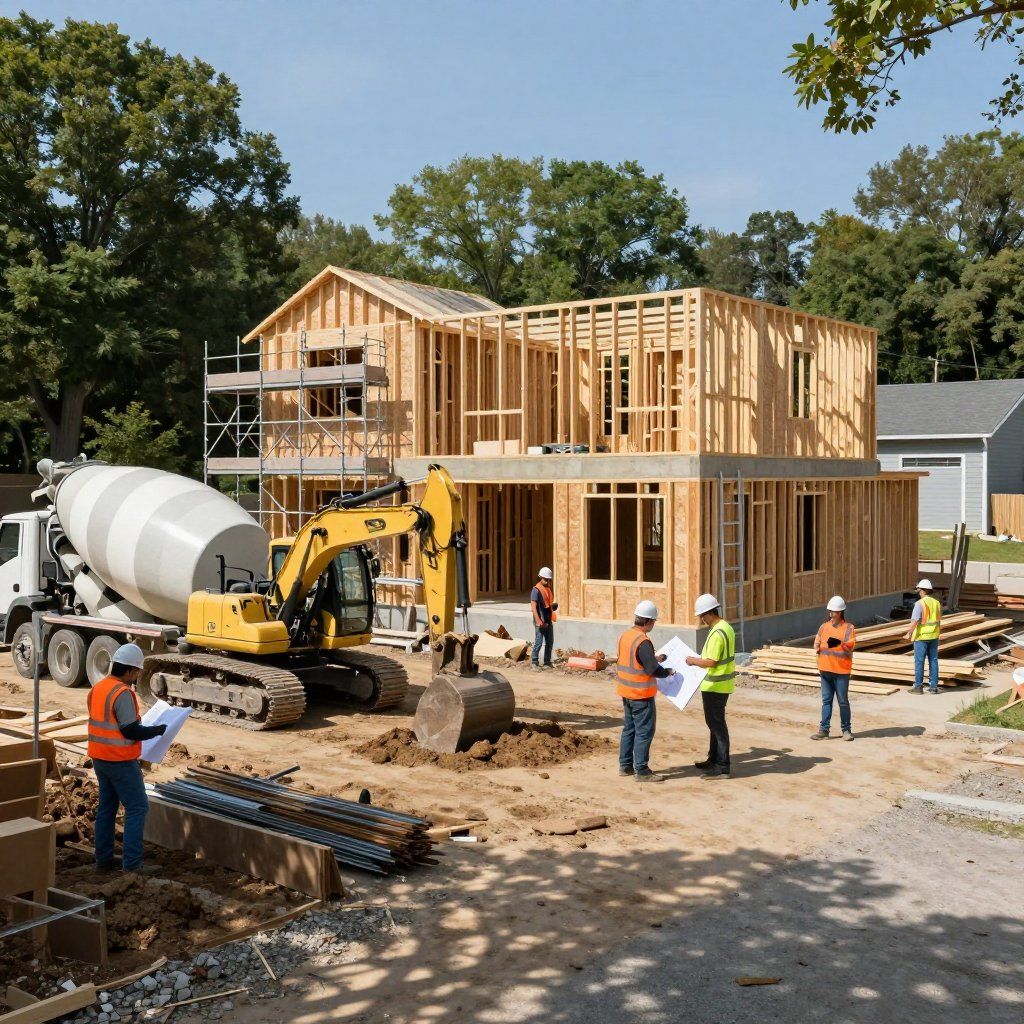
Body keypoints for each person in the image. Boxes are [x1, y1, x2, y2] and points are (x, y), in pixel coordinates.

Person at [87, 643, 167, 875]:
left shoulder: (99, 688)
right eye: (137, 673)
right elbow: (131, 730)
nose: (136, 677)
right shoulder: (122, 693)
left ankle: (103, 860)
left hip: (99, 758)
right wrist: (158, 730)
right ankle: (132, 865)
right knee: (137, 807)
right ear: (130, 670)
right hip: (120, 760)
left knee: (107, 809)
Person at [616, 600, 673, 783]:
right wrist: (667, 672)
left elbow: (634, 658)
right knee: (644, 731)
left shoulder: (626, 636)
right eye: (654, 621)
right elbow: (652, 669)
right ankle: (641, 770)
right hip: (641, 695)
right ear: (649, 621)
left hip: (626, 692)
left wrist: (654, 658)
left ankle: (625, 766)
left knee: (629, 729)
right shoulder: (643, 641)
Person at [685, 593, 735, 779]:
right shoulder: (726, 627)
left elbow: (711, 662)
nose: (702, 620)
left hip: (715, 686)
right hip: (723, 685)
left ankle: (723, 767)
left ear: (709, 613)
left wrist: (692, 661)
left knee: (717, 725)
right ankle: (713, 759)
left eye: (702, 616)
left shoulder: (716, 633)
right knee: (714, 724)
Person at [811, 596, 856, 741]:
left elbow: (849, 647)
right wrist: (819, 647)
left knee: (843, 701)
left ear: (841, 612)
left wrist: (836, 644)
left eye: (834, 612)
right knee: (826, 701)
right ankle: (824, 730)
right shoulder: (824, 627)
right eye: (830, 611)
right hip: (825, 670)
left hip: (841, 672)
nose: (832, 614)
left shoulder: (849, 628)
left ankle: (846, 730)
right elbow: (817, 643)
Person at [904, 578, 941, 694]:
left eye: (919, 590)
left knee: (919, 662)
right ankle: (934, 687)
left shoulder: (919, 604)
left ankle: (918, 687)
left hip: (921, 637)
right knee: (933, 661)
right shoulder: (936, 603)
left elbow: (914, 621)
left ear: (923, 591)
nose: (919, 592)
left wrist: (908, 633)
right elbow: (938, 620)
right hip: (934, 636)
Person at [530, 566, 558, 671]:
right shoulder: (536, 590)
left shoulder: (548, 589)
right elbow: (533, 606)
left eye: (548, 579)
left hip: (548, 619)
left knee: (550, 641)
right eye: (545, 579)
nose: (547, 581)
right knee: (539, 641)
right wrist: (538, 620)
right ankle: (534, 662)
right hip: (540, 619)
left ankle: (547, 662)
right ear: (540, 577)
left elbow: (548, 604)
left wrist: (553, 606)